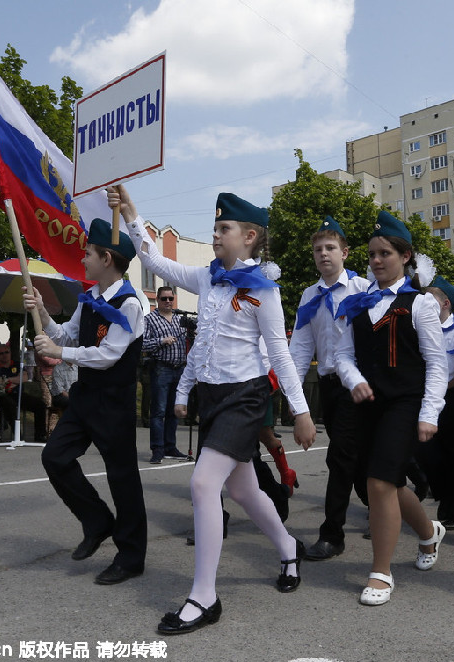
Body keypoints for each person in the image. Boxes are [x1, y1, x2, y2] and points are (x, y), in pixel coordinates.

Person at [108, 184, 316, 635]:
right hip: (214, 397)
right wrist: (131, 215)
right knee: (241, 491)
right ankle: (288, 548)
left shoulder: (265, 289)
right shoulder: (207, 278)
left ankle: (204, 596)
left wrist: (300, 411)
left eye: (225, 229)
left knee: (203, 484)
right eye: (216, 228)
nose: (217, 235)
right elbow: (155, 262)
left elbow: (278, 354)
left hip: (245, 395)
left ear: (251, 237)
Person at [23, 219, 148, 587]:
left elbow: (108, 354)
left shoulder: (131, 303)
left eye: (88, 253)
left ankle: (131, 557)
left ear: (106, 257)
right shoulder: (91, 297)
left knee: (122, 479)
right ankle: (97, 521)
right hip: (85, 398)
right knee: (55, 457)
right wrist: (43, 313)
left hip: (114, 402)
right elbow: (65, 333)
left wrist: (60, 351)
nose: (84, 258)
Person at [333, 211, 448, 607]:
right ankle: (429, 532)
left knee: (378, 483)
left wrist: (430, 413)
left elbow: (437, 363)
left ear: (405, 257)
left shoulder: (419, 304)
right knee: (391, 483)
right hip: (368, 404)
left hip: (406, 403)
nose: (377, 260)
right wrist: (354, 380)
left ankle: (380, 571)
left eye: (385, 253)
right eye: (372, 254)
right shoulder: (357, 304)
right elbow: (341, 356)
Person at [291, 216, 371, 561]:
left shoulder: (364, 290)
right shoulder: (310, 295)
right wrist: (296, 403)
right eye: (318, 249)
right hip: (329, 386)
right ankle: (389, 502)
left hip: (361, 387)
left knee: (340, 458)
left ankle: (332, 534)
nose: (323, 254)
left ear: (345, 253)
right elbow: (299, 348)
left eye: (330, 248)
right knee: (357, 458)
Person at [420, 276, 454, 530]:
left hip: (453, 398)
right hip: (430, 399)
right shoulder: (422, 330)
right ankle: (445, 500)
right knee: (431, 455)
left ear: (445, 304)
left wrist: (440, 388)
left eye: (429, 300)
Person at [143, 285, 190, 463]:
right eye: (164, 299)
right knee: (159, 411)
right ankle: (157, 448)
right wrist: (161, 341)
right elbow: (142, 344)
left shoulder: (180, 319)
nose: (168, 302)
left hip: (180, 369)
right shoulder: (150, 319)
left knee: (174, 411)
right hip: (161, 368)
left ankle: (171, 446)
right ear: (157, 300)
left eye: (171, 298)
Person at [0, 343, 47, 442]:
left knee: (40, 405)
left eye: (6, 352)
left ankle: (40, 435)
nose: (4, 355)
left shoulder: (18, 365)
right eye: (1, 353)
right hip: (2, 396)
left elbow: (25, 377)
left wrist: (8, 380)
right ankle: (18, 435)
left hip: (18, 394)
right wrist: (15, 380)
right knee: (10, 405)